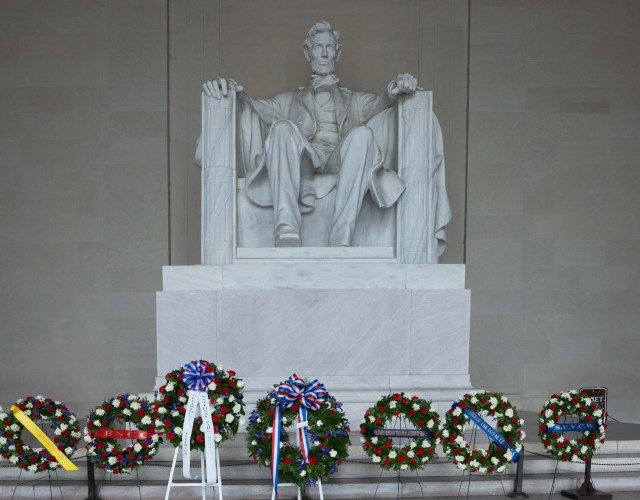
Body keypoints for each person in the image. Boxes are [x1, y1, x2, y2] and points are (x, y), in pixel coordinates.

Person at [201, 21, 418, 247]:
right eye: (318, 47)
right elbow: (253, 106)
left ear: (337, 53)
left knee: (363, 134)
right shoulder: (287, 101)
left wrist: (396, 88)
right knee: (282, 128)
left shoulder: (354, 100)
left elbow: (381, 102)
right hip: (305, 161)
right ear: (308, 53)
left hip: (339, 161)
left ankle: (341, 236)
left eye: (329, 47)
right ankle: (286, 228)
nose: (324, 53)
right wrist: (231, 88)